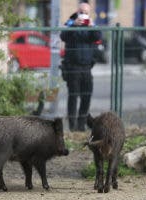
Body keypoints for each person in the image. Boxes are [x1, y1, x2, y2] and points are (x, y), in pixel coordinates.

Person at [60, 2, 101, 132]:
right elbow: (63, 36)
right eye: (81, 12)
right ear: (77, 12)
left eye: (86, 12)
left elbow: (98, 38)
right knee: (73, 96)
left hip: (87, 68)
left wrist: (92, 26)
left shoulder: (91, 25)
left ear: (89, 13)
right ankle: (72, 127)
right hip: (72, 67)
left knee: (86, 96)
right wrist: (73, 25)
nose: (83, 15)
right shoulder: (70, 23)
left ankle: (81, 125)